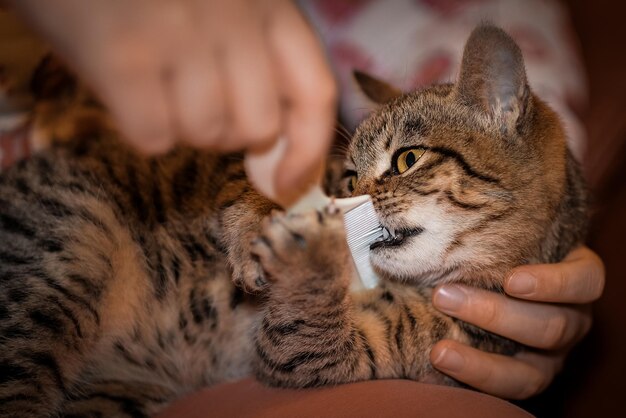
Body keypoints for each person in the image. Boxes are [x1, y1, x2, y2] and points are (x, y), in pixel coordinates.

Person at [2, 0, 605, 402]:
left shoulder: (463, 291)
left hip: (146, 382)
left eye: (404, 163)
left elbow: (297, 358)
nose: (364, 200)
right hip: (110, 233)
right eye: (356, 180)